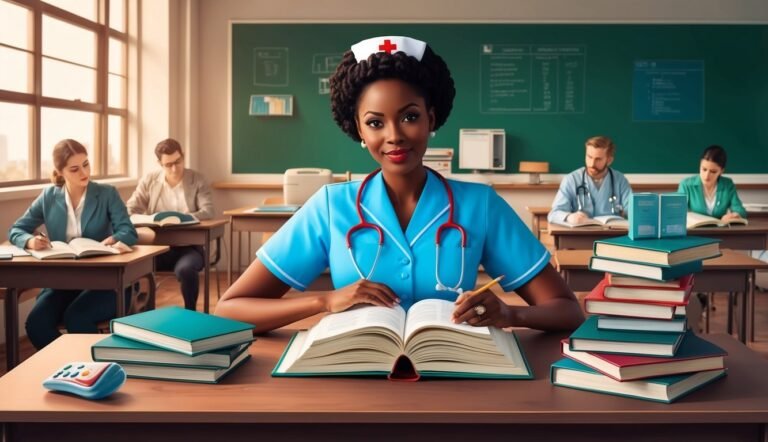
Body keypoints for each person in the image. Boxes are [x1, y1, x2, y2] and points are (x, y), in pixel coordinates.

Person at [215, 36, 583, 334]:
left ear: (431, 118)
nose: (394, 136)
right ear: (358, 129)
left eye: (409, 117)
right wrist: (325, 301)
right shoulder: (331, 207)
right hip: (356, 379)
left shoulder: (479, 204)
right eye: (375, 123)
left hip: (458, 379)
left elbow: (567, 310)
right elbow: (231, 309)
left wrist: (510, 315)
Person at [8, 139, 138, 349]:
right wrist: (30, 241)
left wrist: (114, 238)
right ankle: (68, 366)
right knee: (36, 324)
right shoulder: (48, 196)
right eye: (75, 169)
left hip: (105, 284)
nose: (84, 172)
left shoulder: (107, 193)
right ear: (60, 172)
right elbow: (16, 230)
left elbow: (129, 231)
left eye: (86, 164)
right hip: (63, 283)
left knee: (76, 317)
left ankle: (93, 372)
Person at [126, 138, 214, 310]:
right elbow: (130, 210)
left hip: (188, 248)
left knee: (186, 270)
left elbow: (208, 211)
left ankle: (191, 313)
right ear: (160, 163)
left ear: (183, 156)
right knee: (131, 266)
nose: (174, 168)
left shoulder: (197, 179)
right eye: (168, 164)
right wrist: (146, 221)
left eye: (178, 162)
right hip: (155, 248)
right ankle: (140, 312)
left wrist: (184, 218)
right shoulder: (149, 180)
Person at [548, 136, 632, 225]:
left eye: (598, 159)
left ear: (609, 160)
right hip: (579, 235)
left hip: (611, 235)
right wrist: (569, 217)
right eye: (589, 157)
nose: (592, 164)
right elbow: (554, 214)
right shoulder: (571, 179)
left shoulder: (620, 180)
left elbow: (632, 211)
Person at [677, 145, 747, 221]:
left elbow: (740, 210)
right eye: (704, 169)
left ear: (721, 171)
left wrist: (735, 215)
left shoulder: (727, 184)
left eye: (713, 172)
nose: (706, 176)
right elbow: (677, 211)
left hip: (720, 230)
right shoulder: (686, 185)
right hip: (696, 230)